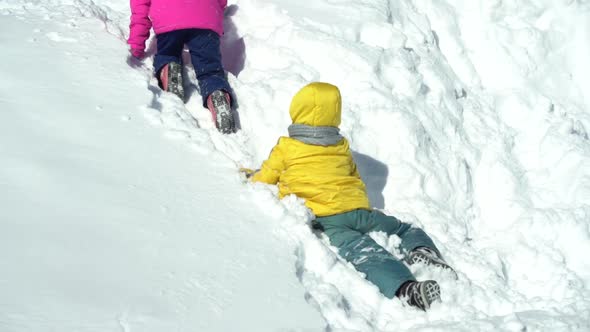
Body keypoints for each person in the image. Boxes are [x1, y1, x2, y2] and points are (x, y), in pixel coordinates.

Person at [241, 82, 455, 310]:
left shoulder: (286, 147)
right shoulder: (341, 145)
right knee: (404, 229)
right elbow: (356, 179)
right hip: (359, 211)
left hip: (328, 219)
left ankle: (407, 290)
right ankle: (422, 250)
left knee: (366, 253)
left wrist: (248, 175)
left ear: (298, 110)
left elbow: (265, 177)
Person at [127, 0, 235, 134]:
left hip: (168, 16)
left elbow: (140, 13)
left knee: (168, 53)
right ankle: (217, 93)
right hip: (205, 17)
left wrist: (136, 47)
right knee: (210, 70)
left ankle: (169, 67)